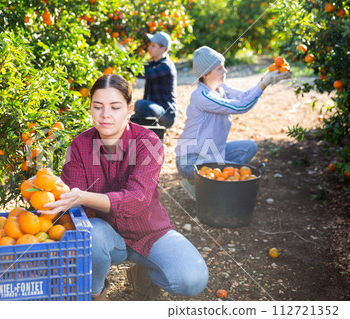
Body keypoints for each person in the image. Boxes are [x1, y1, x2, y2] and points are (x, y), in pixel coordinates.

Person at [40, 74, 208, 301]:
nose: (105, 115)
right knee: (92, 232)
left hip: (149, 232)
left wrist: (83, 196)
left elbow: (136, 199)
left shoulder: (148, 143)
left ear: (129, 109)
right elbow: (71, 197)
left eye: (115, 107)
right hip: (105, 235)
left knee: (192, 279)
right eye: (97, 107)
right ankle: (95, 293)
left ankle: (144, 275)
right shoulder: (81, 145)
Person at [175, 46, 291, 199]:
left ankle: (204, 181)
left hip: (211, 154)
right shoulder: (202, 96)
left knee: (249, 148)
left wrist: (265, 79)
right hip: (190, 160)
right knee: (231, 171)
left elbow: (245, 96)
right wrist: (264, 84)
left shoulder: (220, 89)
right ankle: (196, 182)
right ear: (205, 74)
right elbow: (241, 106)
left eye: (223, 66)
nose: (225, 71)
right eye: (219, 68)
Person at [131, 31, 178, 128]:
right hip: (154, 110)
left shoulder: (166, 66)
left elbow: (143, 73)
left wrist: (126, 59)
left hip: (166, 114)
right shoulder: (153, 64)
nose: (149, 48)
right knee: (131, 119)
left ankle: (153, 134)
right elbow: (138, 67)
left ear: (163, 49)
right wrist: (126, 58)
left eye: (153, 46)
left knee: (140, 105)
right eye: (149, 45)